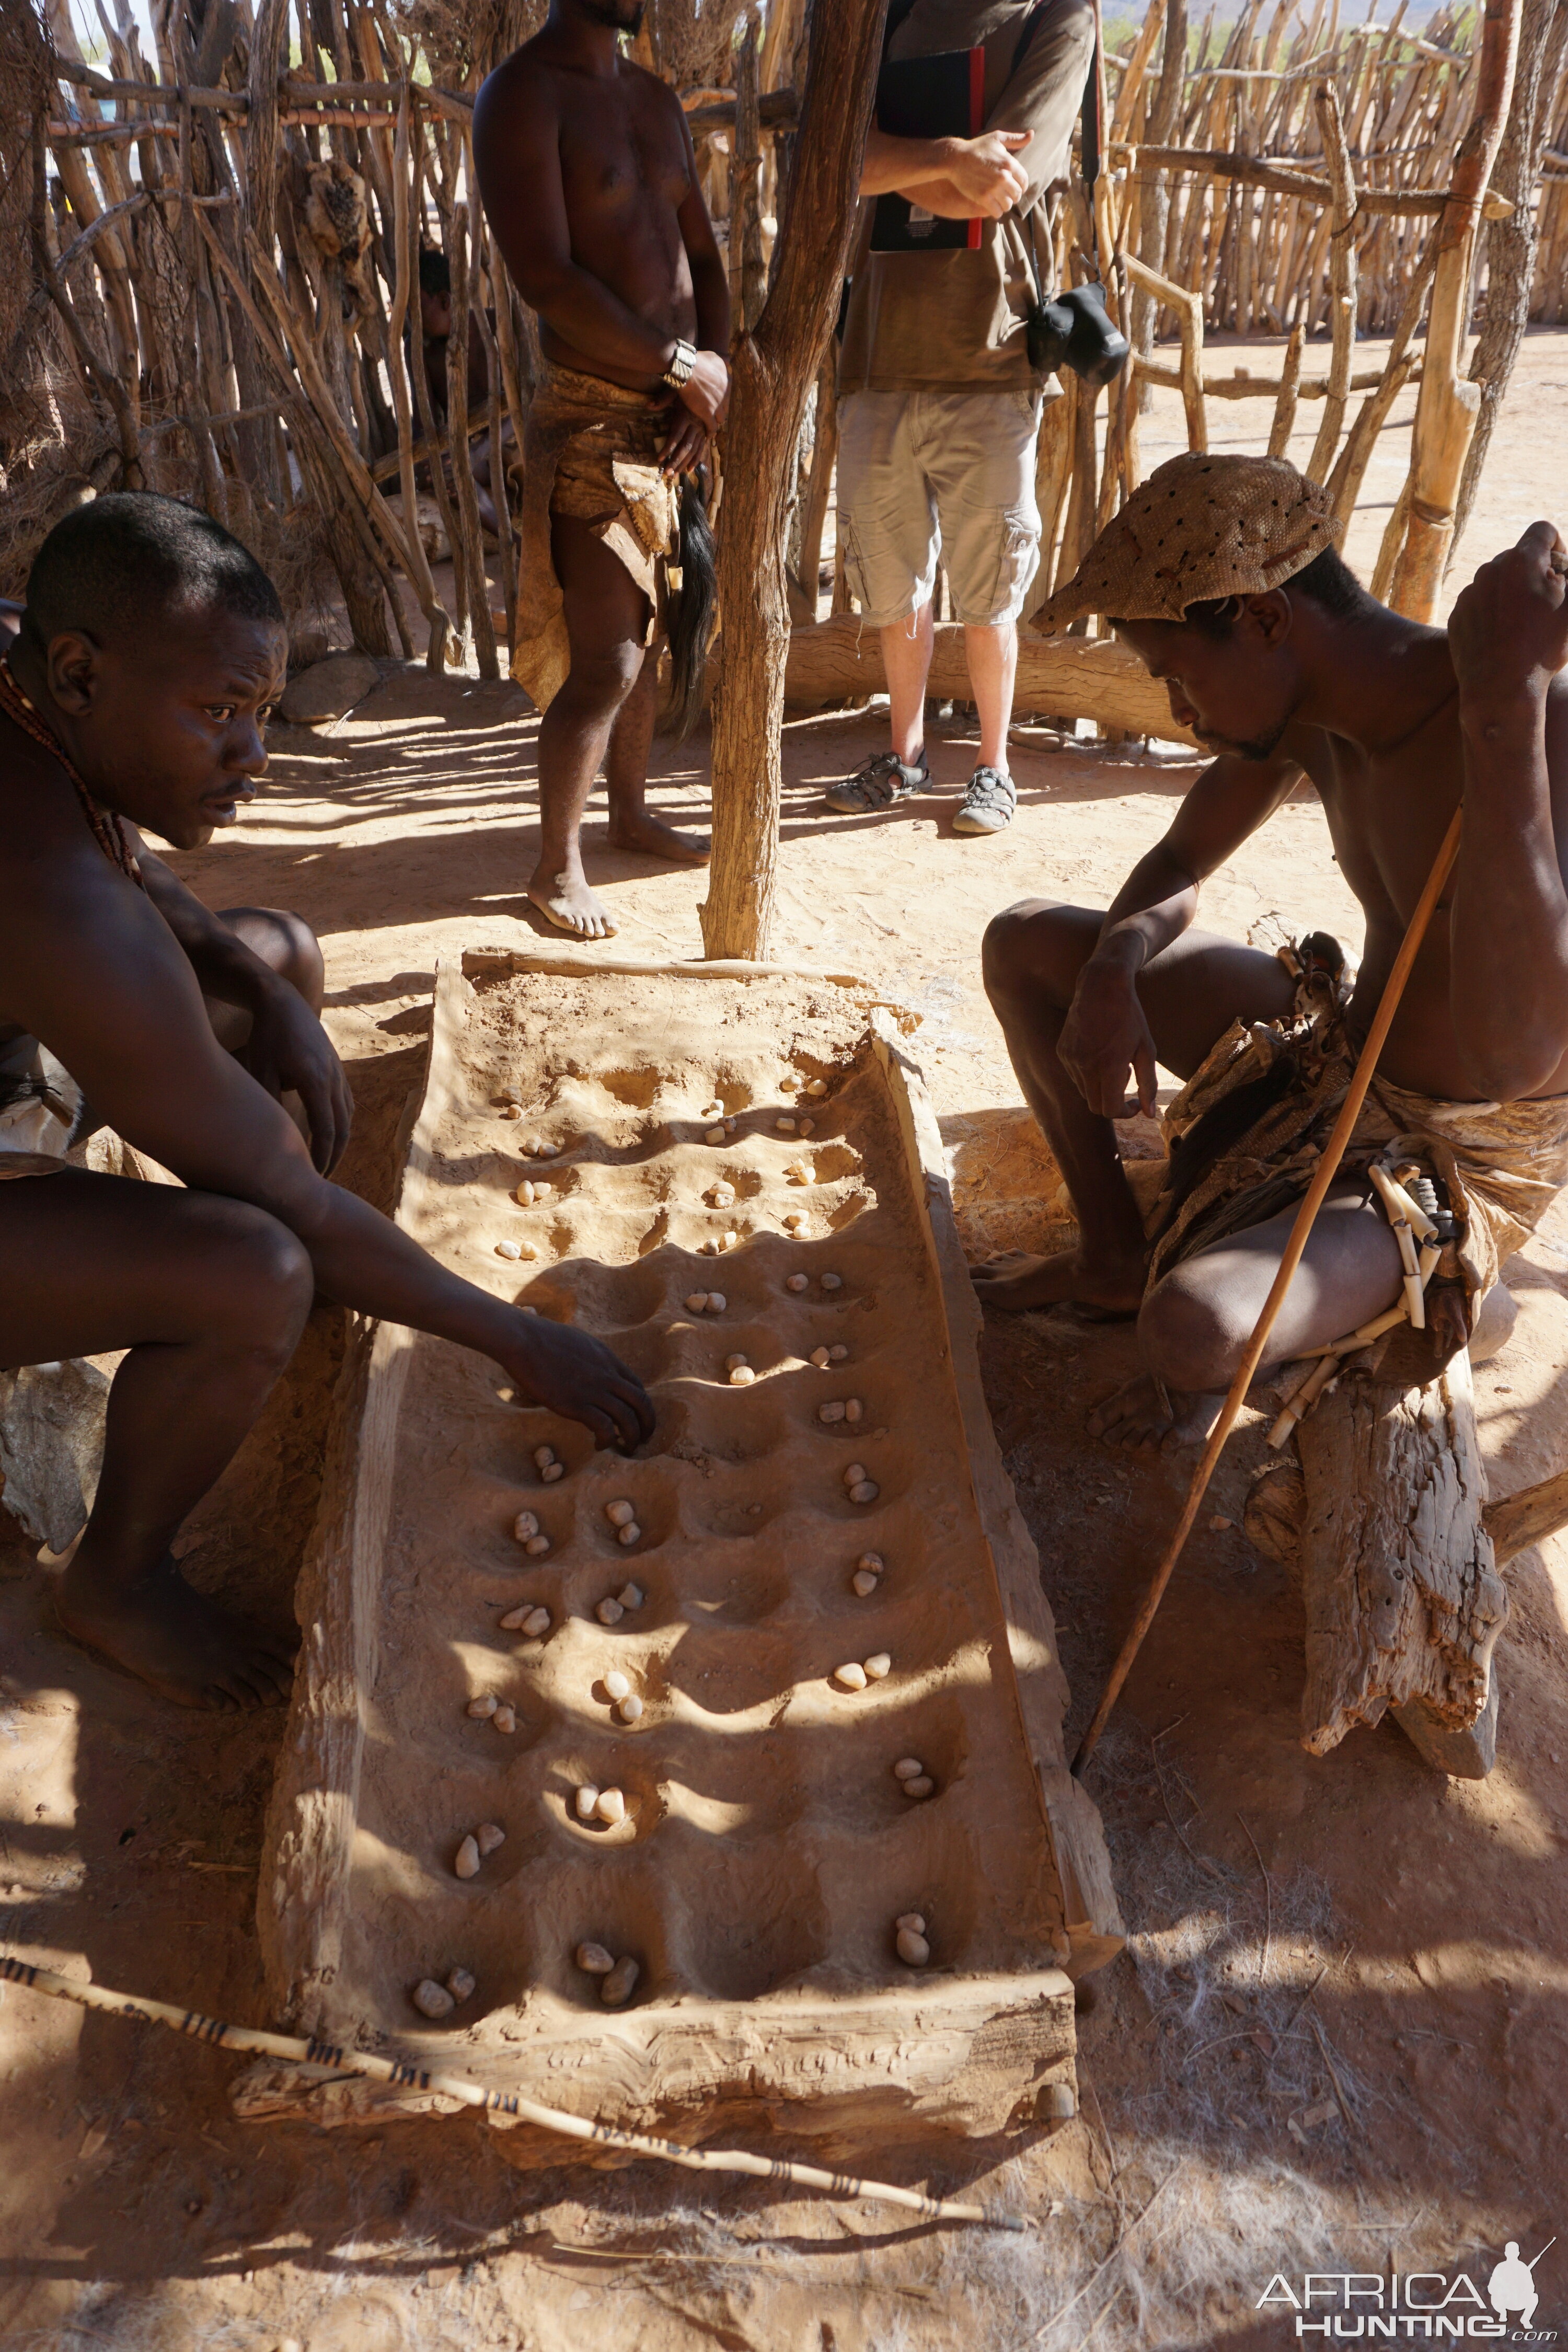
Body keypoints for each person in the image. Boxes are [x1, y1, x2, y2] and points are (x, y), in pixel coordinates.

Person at [0, 492, 653, 1708]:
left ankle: (187, 1302)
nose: (256, 755)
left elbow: (125, 856)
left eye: (260, 711)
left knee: (278, 953)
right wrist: (520, 1339)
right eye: (221, 716)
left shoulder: (25, 666)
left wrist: (268, 989)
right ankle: (117, 1582)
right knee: (256, 1270)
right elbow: (282, 1193)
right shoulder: (49, 899)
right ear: (83, 675)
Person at [974, 452, 1568, 1448]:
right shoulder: (1310, 720)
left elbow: (1517, 1062)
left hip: (1459, 1155)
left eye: (1176, 675)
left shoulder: (1525, 732)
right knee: (1032, 946)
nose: (1177, 713)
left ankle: (1447, 1292)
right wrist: (1116, 970)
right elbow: (1180, 854)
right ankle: (1113, 1254)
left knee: (1197, 1328)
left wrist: (1503, 714)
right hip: (1337, 1059)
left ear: (1261, 620)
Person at [474, 0, 729, 940]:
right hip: (589, 415)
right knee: (608, 656)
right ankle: (556, 867)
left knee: (650, 635)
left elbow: (702, 249)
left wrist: (714, 375)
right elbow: (544, 276)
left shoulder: (656, 99)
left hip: (672, 414)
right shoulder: (522, 98)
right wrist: (676, 368)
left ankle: (627, 814)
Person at [825, 0, 1096, 838]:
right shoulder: (888, 16)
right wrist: (944, 155)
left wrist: (892, 164)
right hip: (875, 358)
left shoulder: (1058, 16)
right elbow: (838, 162)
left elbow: (1003, 181)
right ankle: (904, 756)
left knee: (988, 589)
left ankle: (993, 766)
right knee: (893, 581)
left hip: (991, 356)